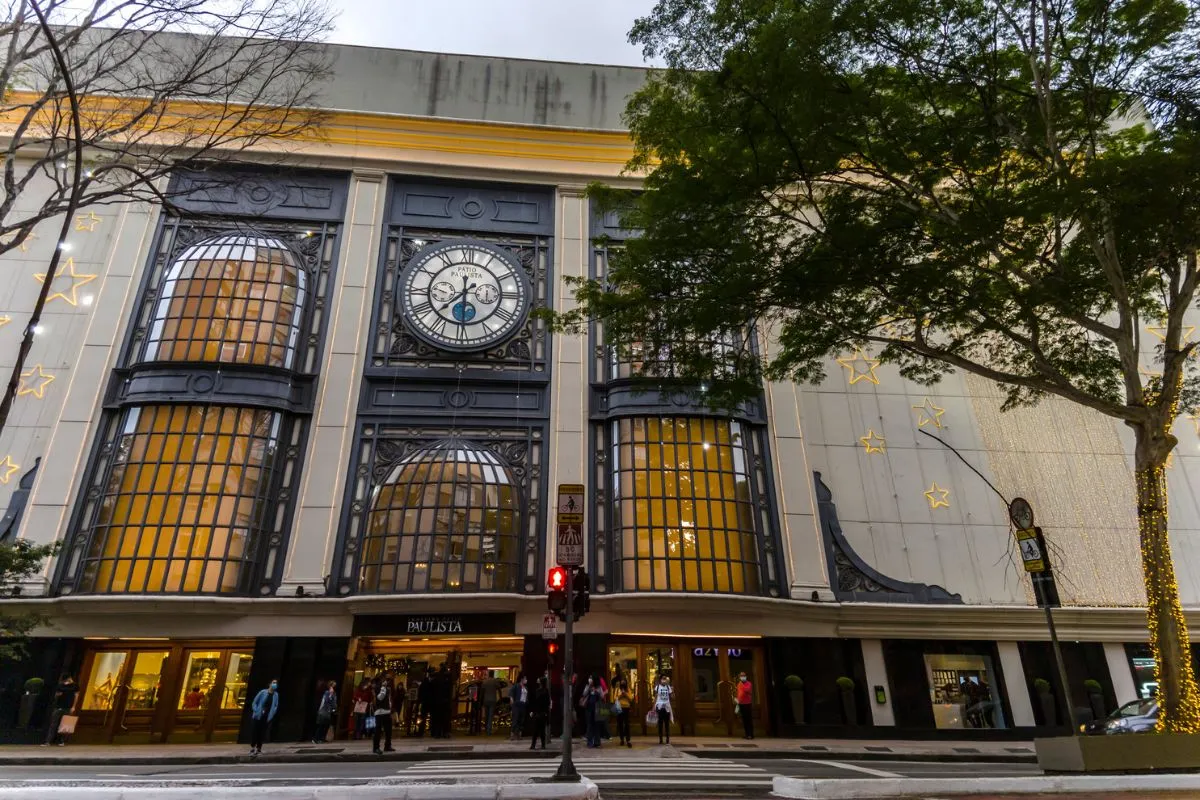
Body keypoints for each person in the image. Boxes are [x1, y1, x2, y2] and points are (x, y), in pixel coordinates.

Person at [43, 673, 78, 747]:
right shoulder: (60, 685)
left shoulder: (75, 686)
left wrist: (73, 706)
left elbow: (76, 696)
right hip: (59, 706)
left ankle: (61, 741)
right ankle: (48, 741)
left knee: (64, 725)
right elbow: (56, 694)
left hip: (68, 707)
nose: (67, 681)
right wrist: (58, 695)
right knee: (53, 724)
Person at [248, 679, 279, 756]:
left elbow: (275, 705)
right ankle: (252, 748)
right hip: (258, 715)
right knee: (255, 731)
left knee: (262, 733)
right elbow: (254, 702)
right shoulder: (263, 692)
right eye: (273, 683)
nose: (275, 684)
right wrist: (256, 710)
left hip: (267, 716)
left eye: (276, 683)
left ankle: (259, 749)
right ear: (270, 684)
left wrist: (272, 714)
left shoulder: (276, 695)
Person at [372, 675, 395, 754]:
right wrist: (383, 688)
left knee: (388, 730)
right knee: (378, 731)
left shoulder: (387, 688)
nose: (387, 681)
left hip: (386, 711)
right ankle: (376, 748)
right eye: (385, 680)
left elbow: (388, 699)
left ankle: (387, 746)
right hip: (380, 712)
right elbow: (380, 698)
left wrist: (390, 707)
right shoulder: (378, 688)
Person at [581, 675, 604, 748]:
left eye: (591, 678)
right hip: (589, 708)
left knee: (596, 725)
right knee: (590, 725)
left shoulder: (599, 687)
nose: (590, 679)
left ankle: (597, 742)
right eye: (589, 678)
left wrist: (596, 691)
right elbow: (584, 694)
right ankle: (590, 742)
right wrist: (589, 689)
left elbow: (602, 696)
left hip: (596, 708)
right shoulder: (587, 686)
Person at [529, 676, 551, 750]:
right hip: (540, 712)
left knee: (538, 730)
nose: (537, 680)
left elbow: (537, 702)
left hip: (540, 712)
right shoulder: (542, 690)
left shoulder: (541, 691)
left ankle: (535, 745)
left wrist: (533, 710)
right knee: (539, 730)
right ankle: (540, 745)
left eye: (538, 680)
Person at [480, 670, 504, 736]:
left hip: (486, 700)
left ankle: (486, 728)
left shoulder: (485, 681)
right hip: (493, 700)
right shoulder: (495, 681)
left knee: (486, 715)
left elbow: (482, 691)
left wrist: (480, 700)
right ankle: (489, 730)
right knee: (490, 716)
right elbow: (499, 689)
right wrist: (501, 697)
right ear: (493, 674)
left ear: (488, 674)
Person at [653, 674, 674, 745]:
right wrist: (653, 706)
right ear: (660, 680)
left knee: (667, 724)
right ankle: (661, 739)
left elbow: (672, 697)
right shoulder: (657, 687)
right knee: (660, 724)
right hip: (659, 707)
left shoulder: (668, 687)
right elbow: (655, 697)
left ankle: (667, 739)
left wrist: (672, 691)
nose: (664, 680)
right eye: (663, 678)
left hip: (667, 707)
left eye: (665, 679)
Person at [736, 671, 754, 739]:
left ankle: (751, 734)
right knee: (744, 720)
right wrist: (737, 700)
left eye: (744, 675)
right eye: (741, 676)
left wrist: (741, 685)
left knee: (748, 719)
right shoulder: (739, 684)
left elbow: (747, 690)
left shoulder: (748, 683)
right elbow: (739, 693)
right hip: (741, 703)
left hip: (747, 703)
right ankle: (747, 734)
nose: (742, 677)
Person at [509, 674, 528, 740]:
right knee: (515, 719)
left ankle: (519, 735)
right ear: (522, 679)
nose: (526, 680)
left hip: (523, 705)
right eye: (525, 679)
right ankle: (512, 734)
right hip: (517, 705)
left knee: (521, 720)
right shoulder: (517, 686)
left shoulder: (525, 687)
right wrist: (511, 699)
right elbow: (511, 692)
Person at [614, 679, 633, 747]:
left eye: (624, 682)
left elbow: (631, 699)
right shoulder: (617, 689)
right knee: (620, 724)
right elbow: (615, 698)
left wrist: (625, 694)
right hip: (619, 707)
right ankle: (621, 739)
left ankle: (628, 740)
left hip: (626, 707)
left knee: (627, 724)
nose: (623, 684)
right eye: (622, 683)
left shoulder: (628, 689)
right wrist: (621, 695)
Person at [416, 673, 432, 737]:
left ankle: (421, 731)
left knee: (423, 717)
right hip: (429, 702)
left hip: (424, 703)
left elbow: (420, 694)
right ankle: (430, 729)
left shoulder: (423, 685)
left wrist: (419, 702)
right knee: (429, 717)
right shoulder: (430, 684)